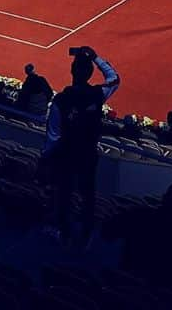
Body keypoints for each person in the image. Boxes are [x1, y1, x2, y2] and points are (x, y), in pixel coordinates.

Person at [41, 46, 119, 247]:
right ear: (90, 72)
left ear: (71, 72)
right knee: (87, 195)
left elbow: (53, 135)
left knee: (64, 193)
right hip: (87, 154)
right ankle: (85, 235)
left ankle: (64, 232)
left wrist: (46, 158)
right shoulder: (97, 94)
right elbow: (114, 78)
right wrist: (96, 57)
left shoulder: (60, 100)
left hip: (66, 155)